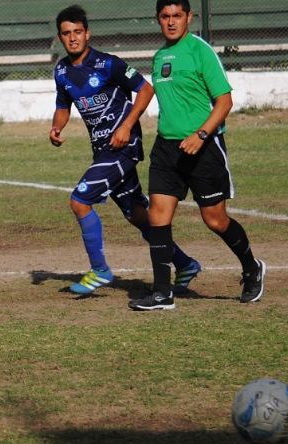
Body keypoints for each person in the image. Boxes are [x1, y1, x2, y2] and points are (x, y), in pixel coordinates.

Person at [50, 5, 200, 296]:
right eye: (67, 34)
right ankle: (185, 264)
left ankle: (100, 269)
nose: (73, 38)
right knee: (138, 215)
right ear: (60, 37)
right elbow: (62, 107)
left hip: (123, 147)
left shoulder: (109, 64)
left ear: (87, 33)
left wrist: (126, 126)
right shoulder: (61, 71)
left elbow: (146, 89)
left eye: (78, 32)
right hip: (102, 150)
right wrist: (57, 127)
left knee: (79, 201)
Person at [128, 0, 266, 311]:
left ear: (190, 17)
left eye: (178, 15)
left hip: (204, 147)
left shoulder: (200, 50)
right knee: (157, 217)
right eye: (165, 16)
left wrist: (201, 134)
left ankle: (252, 267)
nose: (171, 21)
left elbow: (224, 101)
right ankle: (163, 293)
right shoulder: (160, 56)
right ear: (158, 20)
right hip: (167, 148)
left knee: (214, 219)